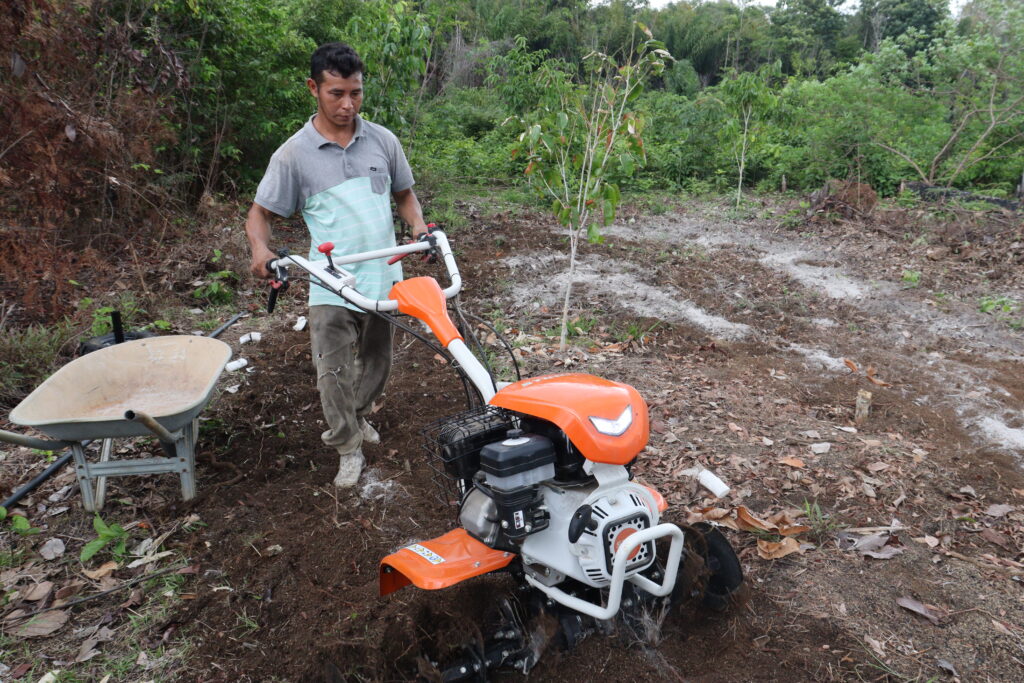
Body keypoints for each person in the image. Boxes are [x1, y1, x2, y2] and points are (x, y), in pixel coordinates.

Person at [245, 42, 428, 488]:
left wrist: (419, 229)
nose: (348, 105)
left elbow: (404, 195)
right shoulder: (293, 155)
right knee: (333, 372)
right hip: (330, 281)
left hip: (383, 275)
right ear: (314, 88)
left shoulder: (383, 140)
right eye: (336, 94)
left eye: (356, 93)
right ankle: (347, 446)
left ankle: (360, 415)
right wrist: (260, 252)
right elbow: (260, 214)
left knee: (378, 362)